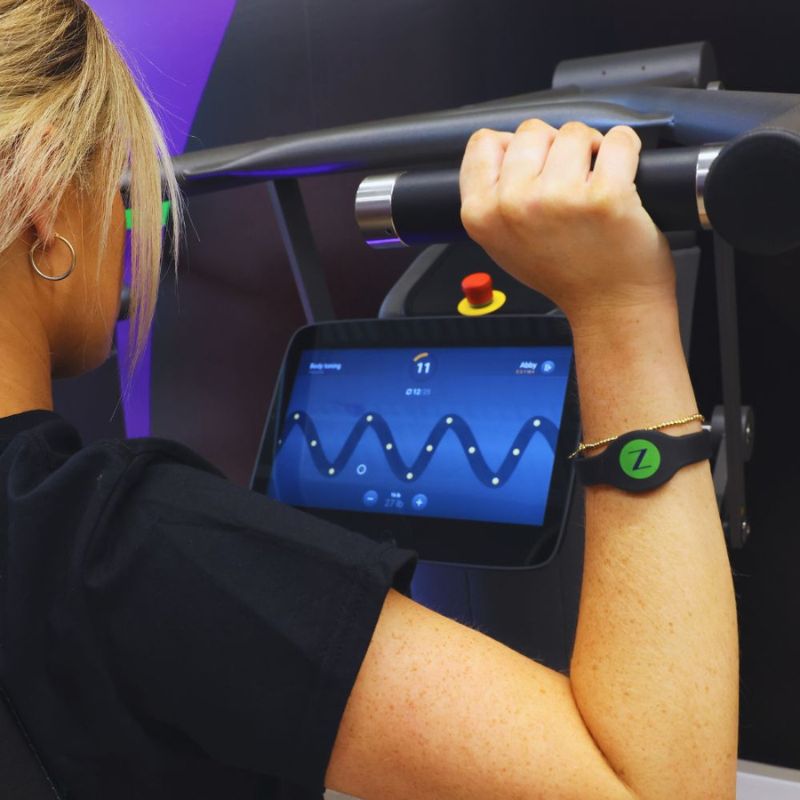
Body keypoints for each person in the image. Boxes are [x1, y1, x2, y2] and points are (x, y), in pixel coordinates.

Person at [0, 2, 738, 799]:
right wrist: (620, 311)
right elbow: (658, 787)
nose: (127, 225)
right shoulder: (122, 549)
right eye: (121, 189)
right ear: (46, 193)